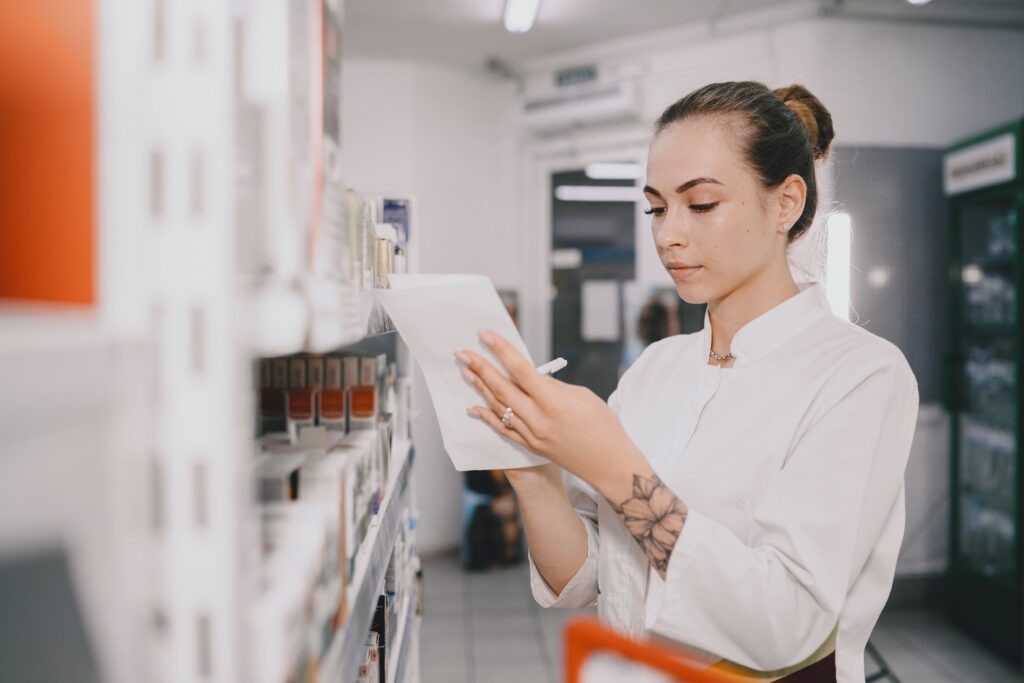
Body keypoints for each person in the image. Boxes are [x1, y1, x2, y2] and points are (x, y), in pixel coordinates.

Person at [453, 81, 919, 682]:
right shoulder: (658, 367)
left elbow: (785, 623)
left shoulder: (860, 376)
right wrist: (533, 471)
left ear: (786, 203)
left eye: (700, 205)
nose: (668, 234)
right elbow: (587, 578)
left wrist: (617, 467)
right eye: (656, 206)